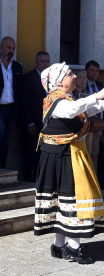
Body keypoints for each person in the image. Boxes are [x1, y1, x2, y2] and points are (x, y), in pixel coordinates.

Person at [35, 62, 104, 264]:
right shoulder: (54, 100)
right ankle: (72, 248)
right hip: (63, 156)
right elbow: (71, 110)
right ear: (59, 81)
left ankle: (59, 246)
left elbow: (84, 110)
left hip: (67, 155)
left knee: (64, 202)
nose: (74, 77)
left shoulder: (66, 98)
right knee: (73, 200)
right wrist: (97, 95)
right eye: (69, 74)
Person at [20, 51, 50, 182]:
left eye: (47, 62)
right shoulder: (29, 77)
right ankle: (28, 182)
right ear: (36, 63)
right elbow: (24, 102)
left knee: (42, 156)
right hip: (32, 125)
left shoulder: (51, 79)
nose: (45, 64)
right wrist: (30, 123)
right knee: (29, 154)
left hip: (46, 125)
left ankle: (39, 182)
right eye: (43, 61)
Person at [0, 36, 22, 169]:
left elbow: (20, 90)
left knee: (7, 141)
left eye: (13, 48)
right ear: (1, 47)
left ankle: (2, 169)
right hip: (0, 109)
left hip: (12, 109)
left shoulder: (17, 67)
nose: (11, 51)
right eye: (8, 48)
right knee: (1, 133)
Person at [84, 60, 104, 173]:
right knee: (86, 153)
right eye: (92, 70)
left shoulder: (99, 85)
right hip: (87, 125)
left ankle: (94, 180)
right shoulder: (82, 83)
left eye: (97, 71)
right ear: (86, 71)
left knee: (95, 153)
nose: (95, 73)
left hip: (98, 125)